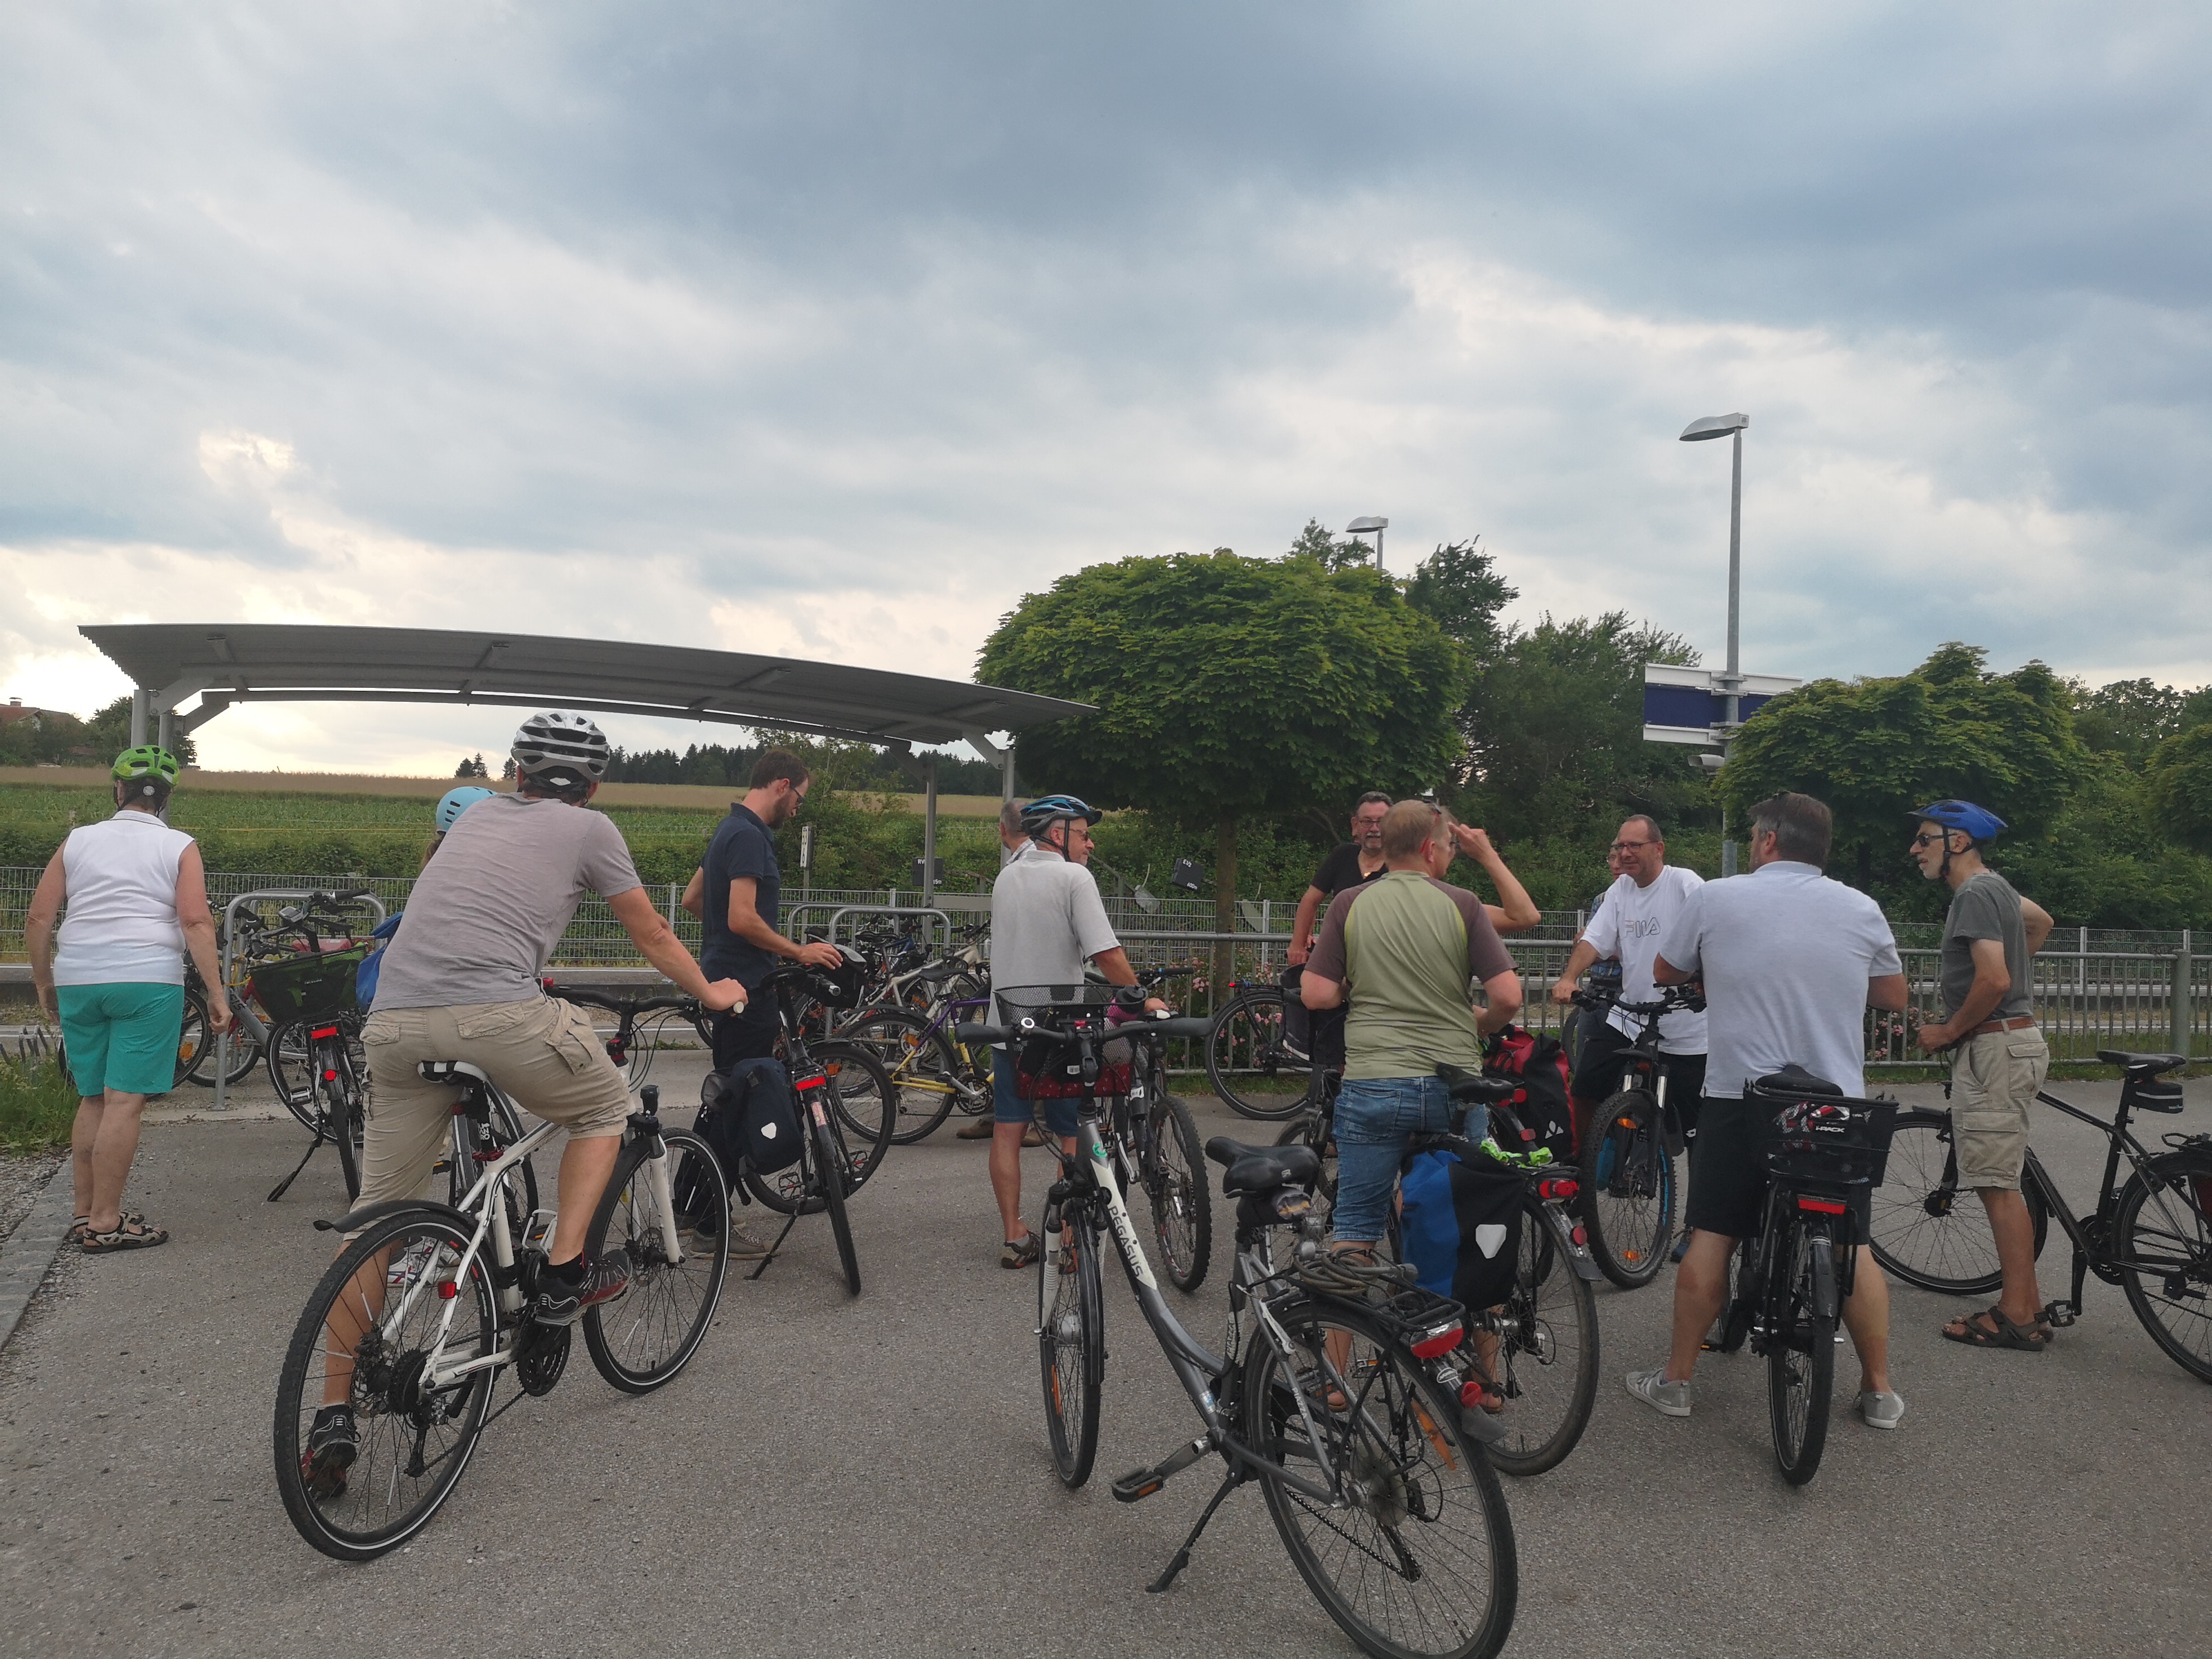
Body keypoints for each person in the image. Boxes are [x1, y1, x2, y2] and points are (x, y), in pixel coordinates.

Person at [1631, 792, 1910, 1431]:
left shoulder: (1716, 897)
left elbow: (1666, 967)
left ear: (1765, 841)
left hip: (1740, 1098)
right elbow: (1891, 996)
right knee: (1851, 1244)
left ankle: (1674, 1382)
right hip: (1834, 1105)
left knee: (1713, 1233)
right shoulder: (1860, 906)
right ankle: (1878, 1391)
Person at [25, 745, 231, 1253]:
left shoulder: (77, 841)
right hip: (146, 979)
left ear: (117, 789)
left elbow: (38, 918)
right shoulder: (179, 845)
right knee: (125, 1101)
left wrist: (44, 982)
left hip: (79, 977)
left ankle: (83, 1212)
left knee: (92, 1096)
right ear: (165, 798)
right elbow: (196, 921)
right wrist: (217, 993)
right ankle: (106, 1222)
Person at [1299, 799, 1524, 1248]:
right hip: (1453, 1082)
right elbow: (1509, 998)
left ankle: (1350, 1316)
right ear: (1428, 849)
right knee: (1465, 1216)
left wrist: (1351, 986)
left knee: (1357, 1225)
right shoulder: (1463, 904)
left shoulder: (1349, 902)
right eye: (1448, 847)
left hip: (1375, 1080)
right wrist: (1481, 1023)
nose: (1450, 855)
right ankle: (1467, 1313)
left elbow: (1317, 995)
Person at [1909, 799, 2056, 1350]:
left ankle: (2016, 1315)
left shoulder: (1972, 893)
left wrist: (1948, 1030)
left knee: (1997, 1186)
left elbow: (1992, 981)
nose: (1914, 849)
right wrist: (2006, 985)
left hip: (1992, 1046)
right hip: (2011, 1040)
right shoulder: (1995, 888)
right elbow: (2039, 922)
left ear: (1958, 842)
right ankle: (2028, 1304)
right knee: (2002, 1180)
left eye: (1925, 838)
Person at [988, 793, 1158, 1267]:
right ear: (1058, 834)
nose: (1090, 843)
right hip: (1059, 1029)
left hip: (1007, 1025)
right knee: (1073, 1131)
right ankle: (1070, 1240)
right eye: (1084, 833)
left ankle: (1014, 1236)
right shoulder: (1073, 877)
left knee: (1007, 1131)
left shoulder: (1007, 877)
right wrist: (1142, 997)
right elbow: (1106, 953)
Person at [1549, 815, 1709, 1163]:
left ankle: (1700, 1213)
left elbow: (1713, 932)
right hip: (1631, 1016)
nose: (1624, 853)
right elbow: (1594, 939)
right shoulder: (1620, 890)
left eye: (1633, 846)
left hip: (1683, 1021)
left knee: (1700, 1127)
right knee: (1585, 1086)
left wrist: (1706, 979)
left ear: (1659, 848)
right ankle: (1586, 1168)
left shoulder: (1684, 884)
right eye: (1619, 846)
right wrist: (1569, 977)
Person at [680, 750, 845, 1072]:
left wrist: (735, 934)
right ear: (783, 786)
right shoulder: (749, 837)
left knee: (731, 1079)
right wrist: (798, 952)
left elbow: (692, 898)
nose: (797, 809)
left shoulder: (728, 828)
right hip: (749, 983)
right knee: (748, 1083)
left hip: (724, 978)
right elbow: (742, 918)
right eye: (800, 797)